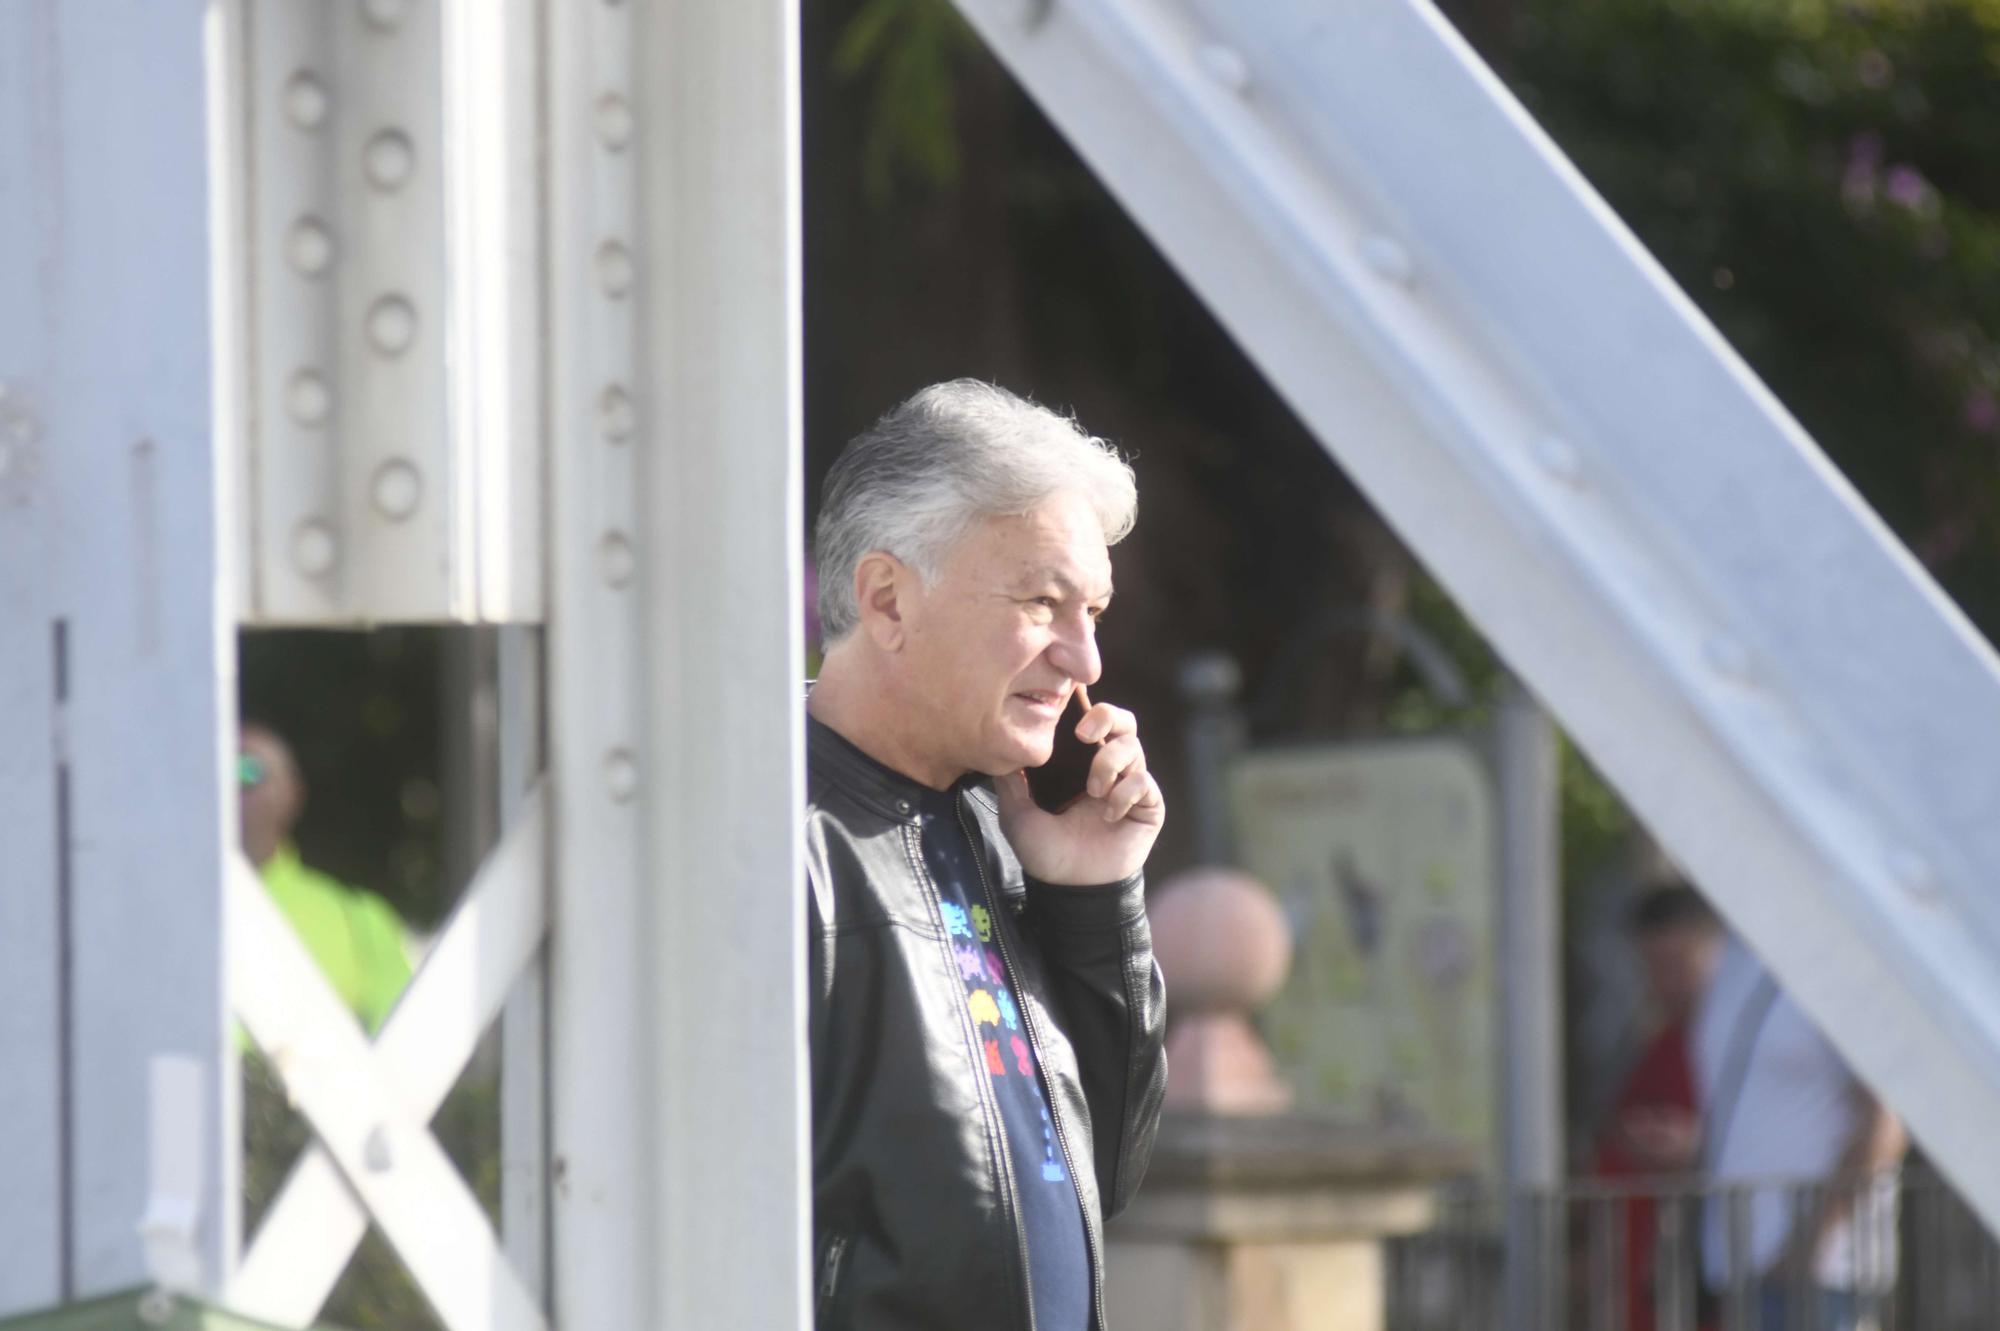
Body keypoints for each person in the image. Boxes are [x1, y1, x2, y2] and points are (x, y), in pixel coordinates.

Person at [804, 381, 1169, 1330]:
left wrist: (1094, 897)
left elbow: (1101, 1175)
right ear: (887, 598)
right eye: (1044, 603)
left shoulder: (994, 829)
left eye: (1094, 610)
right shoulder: (772, 842)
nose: (1085, 660)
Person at [1692, 935, 1906, 1330]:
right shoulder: (1730, 962)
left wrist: (1808, 1245)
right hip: (1739, 1273)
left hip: (1819, 1279)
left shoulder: (1834, 963)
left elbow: (1885, 1124)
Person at [1589, 881, 1724, 1331]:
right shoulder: (1657, 1053)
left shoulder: (1744, 1055)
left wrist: (1701, 1151)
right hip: (1654, 1296)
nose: (1664, 984)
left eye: (1678, 965)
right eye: (1652, 967)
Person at [240, 722, 414, 1036]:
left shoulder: (357, 919)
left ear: (291, 794)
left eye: (246, 771)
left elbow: (410, 1051)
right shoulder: (148, 915)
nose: (226, 786)